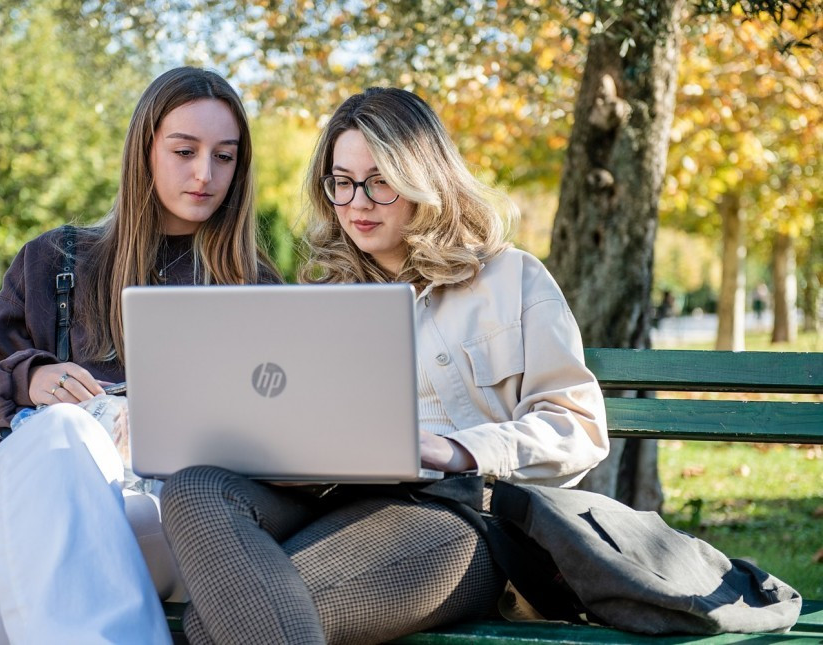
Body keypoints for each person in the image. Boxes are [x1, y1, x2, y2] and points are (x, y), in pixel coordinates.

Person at [159, 87, 609, 644]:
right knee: (194, 487)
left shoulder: (510, 278)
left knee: (218, 623)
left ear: (425, 177)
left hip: (466, 516)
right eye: (342, 182)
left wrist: (456, 450)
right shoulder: (324, 297)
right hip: (334, 502)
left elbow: (579, 427)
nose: (358, 203)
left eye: (381, 181)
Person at [0, 66, 276, 643]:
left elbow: (282, 433)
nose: (205, 173)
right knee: (62, 434)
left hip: (164, 520)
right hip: (4, 505)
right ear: (143, 151)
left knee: (44, 557)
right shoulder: (56, 259)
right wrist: (31, 379)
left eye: (224, 157)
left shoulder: (255, 289)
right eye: (184, 150)